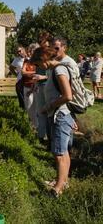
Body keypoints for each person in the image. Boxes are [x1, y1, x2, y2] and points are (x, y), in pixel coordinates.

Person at [30, 46, 75, 197]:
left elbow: (68, 96)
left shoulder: (59, 71)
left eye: (37, 63)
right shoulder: (52, 71)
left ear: (44, 59)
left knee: (59, 153)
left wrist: (48, 106)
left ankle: (58, 189)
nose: (38, 67)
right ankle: (63, 182)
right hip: (60, 114)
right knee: (63, 152)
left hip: (60, 115)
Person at [22, 44, 39, 128]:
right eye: (29, 51)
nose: (29, 53)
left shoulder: (38, 62)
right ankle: (35, 124)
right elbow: (23, 72)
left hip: (36, 87)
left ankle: (37, 126)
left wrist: (29, 73)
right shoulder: (26, 61)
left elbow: (39, 74)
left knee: (37, 108)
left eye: (31, 51)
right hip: (27, 86)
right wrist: (34, 73)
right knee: (29, 108)